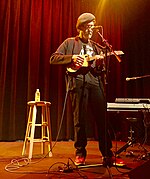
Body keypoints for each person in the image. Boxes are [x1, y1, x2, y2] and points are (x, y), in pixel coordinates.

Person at [50, 13, 124, 167]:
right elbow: (54, 58)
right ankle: (80, 153)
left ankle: (107, 154)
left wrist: (100, 62)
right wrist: (72, 58)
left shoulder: (97, 46)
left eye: (93, 26)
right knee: (80, 120)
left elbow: (99, 69)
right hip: (77, 82)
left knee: (102, 118)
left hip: (95, 82)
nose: (91, 29)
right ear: (81, 27)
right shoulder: (70, 42)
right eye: (89, 26)